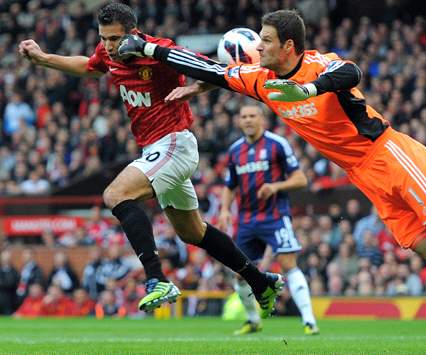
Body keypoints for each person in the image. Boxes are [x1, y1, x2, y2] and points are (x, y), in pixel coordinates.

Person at [119, 9, 426, 353]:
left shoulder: (317, 66)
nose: (258, 47)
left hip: (391, 154)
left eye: (266, 41)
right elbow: (209, 70)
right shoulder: (262, 81)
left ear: (287, 45)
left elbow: (351, 72)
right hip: (364, 176)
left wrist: (309, 91)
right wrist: (148, 48)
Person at [18, 2, 283, 316]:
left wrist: (193, 91)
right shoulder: (107, 52)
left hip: (174, 143)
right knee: (192, 232)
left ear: (132, 33)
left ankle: (157, 279)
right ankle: (261, 281)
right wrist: (44, 58)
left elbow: (218, 72)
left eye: (115, 39)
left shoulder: (159, 51)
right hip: (155, 149)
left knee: (116, 194)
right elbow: (90, 66)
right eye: (104, 38)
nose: (108, 46)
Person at [218, 104, 319, 335]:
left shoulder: (277, 144)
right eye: (243, 116)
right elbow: (229, 185)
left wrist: (275, 186)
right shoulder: (235, 151)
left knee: (288, 264)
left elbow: (301, 179)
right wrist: (224, 209)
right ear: (239, 121)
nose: (248, 120)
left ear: (261, 119)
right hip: (246, 221)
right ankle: (253, 321)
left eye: (252, 115)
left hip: (275, 217)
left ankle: (309, 321)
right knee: (240, 272)